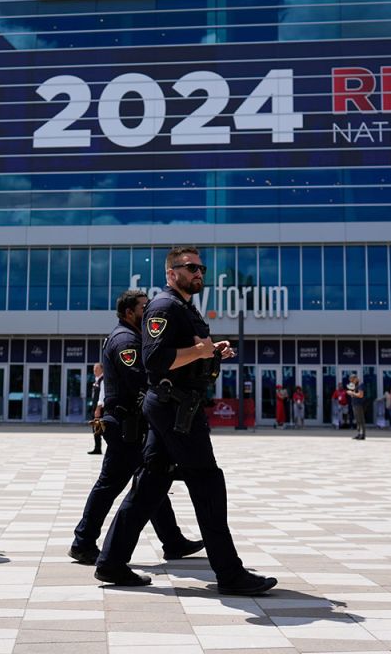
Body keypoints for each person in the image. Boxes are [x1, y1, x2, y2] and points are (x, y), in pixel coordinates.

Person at [95, 246, 277, 596]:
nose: (198, 273)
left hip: (176, 407)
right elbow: (154, 360)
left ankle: (111, 562)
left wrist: (211, 353)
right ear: (171, 273)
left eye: (201, 267)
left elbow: (187, 357)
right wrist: (200, 351)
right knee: (207, 483)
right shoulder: (163, 306)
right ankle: (229, 572)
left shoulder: (182, 308)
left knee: (150, 485)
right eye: (190, 267)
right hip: (174, 408)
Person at [68, 289, 202, 566]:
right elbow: (143, 378)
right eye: (144, 307)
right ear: (129, 312)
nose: (149, 311)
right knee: (111, 484)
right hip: (125, 426)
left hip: (135, 425)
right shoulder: (125, 340)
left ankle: (173, 540)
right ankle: (83, 542)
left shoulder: (134, 337)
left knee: (151, 481)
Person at [87, 363, 104, 454]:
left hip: (100, 409)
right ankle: (97, 448)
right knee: (96, 429)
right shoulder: (96, 380)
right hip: (95, 408)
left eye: (96, 369)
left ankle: (98, 448)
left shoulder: (103, 380)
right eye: (94, 369)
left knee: (99, 429)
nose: (94, 371)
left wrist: (98, 409)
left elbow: (102, 396)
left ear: (102, 370)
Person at [349, 374, 368, 440]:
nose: (352, 382)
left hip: (359, 405)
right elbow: (355, 394)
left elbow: (360, 395)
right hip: (355, 404)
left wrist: (352, 393)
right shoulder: (356, 385)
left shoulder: (360, 384)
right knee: (357, 420)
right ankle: (359, 434)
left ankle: (362, 435)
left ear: (355, 378)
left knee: (360, 420)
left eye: (352, 380)